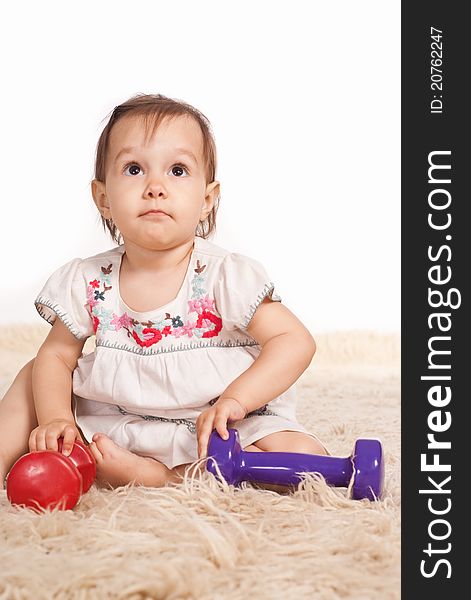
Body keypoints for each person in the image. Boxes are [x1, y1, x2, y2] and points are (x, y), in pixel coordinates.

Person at [0, 93, 328, 491]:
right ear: (103, 198)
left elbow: (294, 341)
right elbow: (56, 354)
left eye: (177, 170)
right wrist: (57, 418)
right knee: (34, 374)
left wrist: (237, 400)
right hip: (118, 421)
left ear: (207, 199)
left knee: (305, 460)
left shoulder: (223, 275)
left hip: (217, 422)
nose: (155, 186)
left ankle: (159, 477)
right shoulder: (89, 280)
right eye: (134, 168)